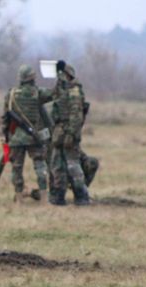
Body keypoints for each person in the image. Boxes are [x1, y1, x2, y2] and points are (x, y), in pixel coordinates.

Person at [3, 65, 55, 204]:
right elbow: (54, 93)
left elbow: (6, 118)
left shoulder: (11, 94)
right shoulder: (38, 93)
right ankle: (44, 199)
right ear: (32, 78)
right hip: (34, 137)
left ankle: (19, 199)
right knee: (40, 166)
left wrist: (6, 136)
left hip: (16, 138)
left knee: (16, 169)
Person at [49, 62, 90, 205]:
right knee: (57, 166)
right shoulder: (62, 89)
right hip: (59, 133)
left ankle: (82, 196)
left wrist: (71, 134)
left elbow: (76, 116)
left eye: (61, 74)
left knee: (73, 166)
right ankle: (58, 197)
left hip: (69, 133)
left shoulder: (74, 92)